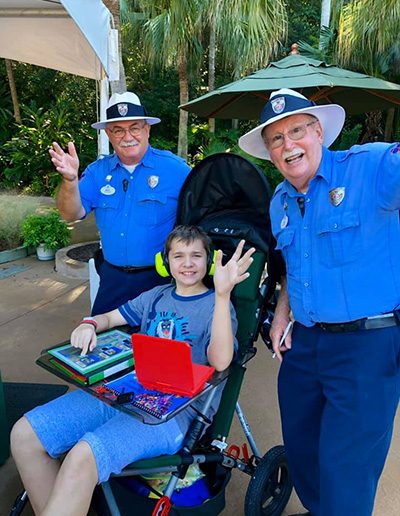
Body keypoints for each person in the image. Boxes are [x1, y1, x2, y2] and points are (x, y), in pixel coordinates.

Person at [11, 225, 255, 516]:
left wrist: (223, 295)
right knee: (25, 435)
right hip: (123, 393)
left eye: (196, 256)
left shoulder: (216, 305)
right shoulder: (155, 296)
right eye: (178, 256)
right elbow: (109, 318)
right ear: (165, 263)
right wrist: (89, 324)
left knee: (83, 456)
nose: (187, 263)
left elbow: (221, 362)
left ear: (209, 261)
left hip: (171, 415)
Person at [239, 88, 400, 516]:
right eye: (276, 139)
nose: (289, 145)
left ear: (320, 133)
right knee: (304, 450)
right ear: (270, 152)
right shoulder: (281, 201)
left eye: (297, 131)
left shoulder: (371, 167)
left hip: (367, 345)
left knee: (346, 468)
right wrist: (282, 315)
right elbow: (294, 263)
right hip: (305, 344)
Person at [49, 91, 191, 315]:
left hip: (160, 281)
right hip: (113, 279)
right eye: (118, 130)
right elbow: (70, 214)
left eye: (134, 127)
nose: (128, 136)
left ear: (147, 129)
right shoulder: (97, 172)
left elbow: (201, 217)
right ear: (108, 134)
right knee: (103, 343)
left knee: (156, 347)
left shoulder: (176, 170)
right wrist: (70, 180)